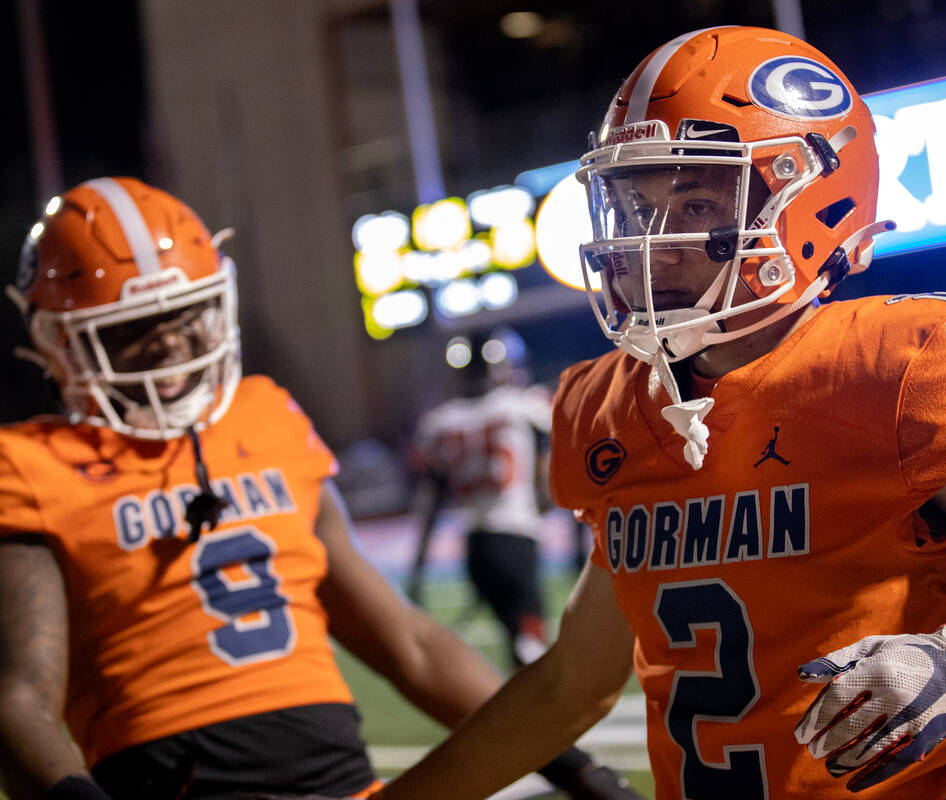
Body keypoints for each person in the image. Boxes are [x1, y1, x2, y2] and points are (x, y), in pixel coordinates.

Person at [375, 27, 946, 800]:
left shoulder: (903, 368)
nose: (647, 242)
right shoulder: (613, 406)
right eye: (633, 208)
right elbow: (571, 683)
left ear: (818, 203)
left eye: (695, 206)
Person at [0, 177, 642, 800]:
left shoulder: (265, 415)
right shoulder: (30, 465)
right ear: (59, 342)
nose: (169, 339)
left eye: (183, 311)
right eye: (129, 327)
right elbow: (20, 699)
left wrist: (575, 770)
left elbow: (408, 644)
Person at [407, 328, 555, 667]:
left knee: (515, 638)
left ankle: (524, 710)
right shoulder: (523, 408)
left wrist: (418, 567)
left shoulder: (441, 422)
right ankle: (533, 714)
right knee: (531, 646)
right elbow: (546, 480)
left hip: (475, 547)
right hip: (515, 539)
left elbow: (432, 501)